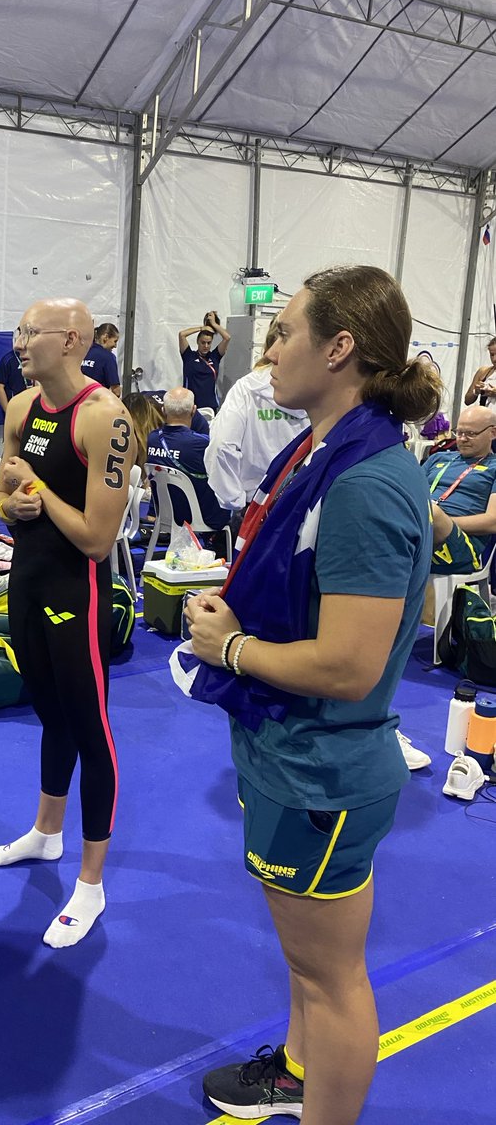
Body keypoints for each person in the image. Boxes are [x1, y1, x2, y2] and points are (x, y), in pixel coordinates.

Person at [183, 266, 440, 1124]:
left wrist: (234, 645)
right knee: (307, 970)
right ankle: (296, 1075)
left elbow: (350, 665)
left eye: (285, 331)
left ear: (340, 348)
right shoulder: (325, 447)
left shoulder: (362, 479)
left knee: (330, 981)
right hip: (290, 750)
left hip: (322, 769)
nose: (269, 349)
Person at [0, 298, 133, 948]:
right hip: (27, 580)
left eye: (29, 332)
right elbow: (1, 497)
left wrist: (37, 497)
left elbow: (99, 540)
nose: (19, 343)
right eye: (18, 331)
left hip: (79, 589)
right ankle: (47, 834)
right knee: (49, 713)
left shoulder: (107, 419)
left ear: (70, 341)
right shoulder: (20, 408)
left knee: (89, 726)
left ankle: (91, 885)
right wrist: (13, 506)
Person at [204, 316, 308, 513]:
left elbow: (221, 445)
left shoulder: (247, 388)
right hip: (300, 502)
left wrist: (235, 502)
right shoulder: (315, 390)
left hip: (255, 502)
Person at [146, 386, 230, 536]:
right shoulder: (203, 444)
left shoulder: (152, 439)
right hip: (202, 518)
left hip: (166, 515)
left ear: (164, 410)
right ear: (193, 410)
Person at [424, 404, 496, 573]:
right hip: (421, 527)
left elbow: (493, 522)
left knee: (431, 512)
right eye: (460, 432)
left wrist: (439, 522)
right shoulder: (438, 458)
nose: (462, 439)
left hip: (462, 544)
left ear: (493, 433)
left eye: (471, 434)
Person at [179, 310, 230, 410]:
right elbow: (182, 334)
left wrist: (214, 325)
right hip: (190, 406)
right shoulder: (189, 356)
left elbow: (227, 338)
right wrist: (202, 328)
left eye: (209, 343)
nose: (206, 346)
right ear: (197, 341)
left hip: (210, 407)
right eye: (203, 342)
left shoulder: (215, 356)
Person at [81, 322, 121, 395]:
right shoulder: (108, 357)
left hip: (76, 401)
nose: (115, 346)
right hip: (96, 401)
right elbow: (116, 390)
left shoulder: (81, 353)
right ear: (105, 337)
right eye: (115, 341)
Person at [463, 337, 496, 407]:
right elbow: (467, 400)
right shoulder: (483, 372)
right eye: (492, 355)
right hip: (486, 416)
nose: (494, 359)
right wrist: (476, 391)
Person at [0, 346, 28, 414]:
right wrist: (8, 412)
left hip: (32, 405)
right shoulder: (8, 360)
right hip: (15, 407)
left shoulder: (34, 357)